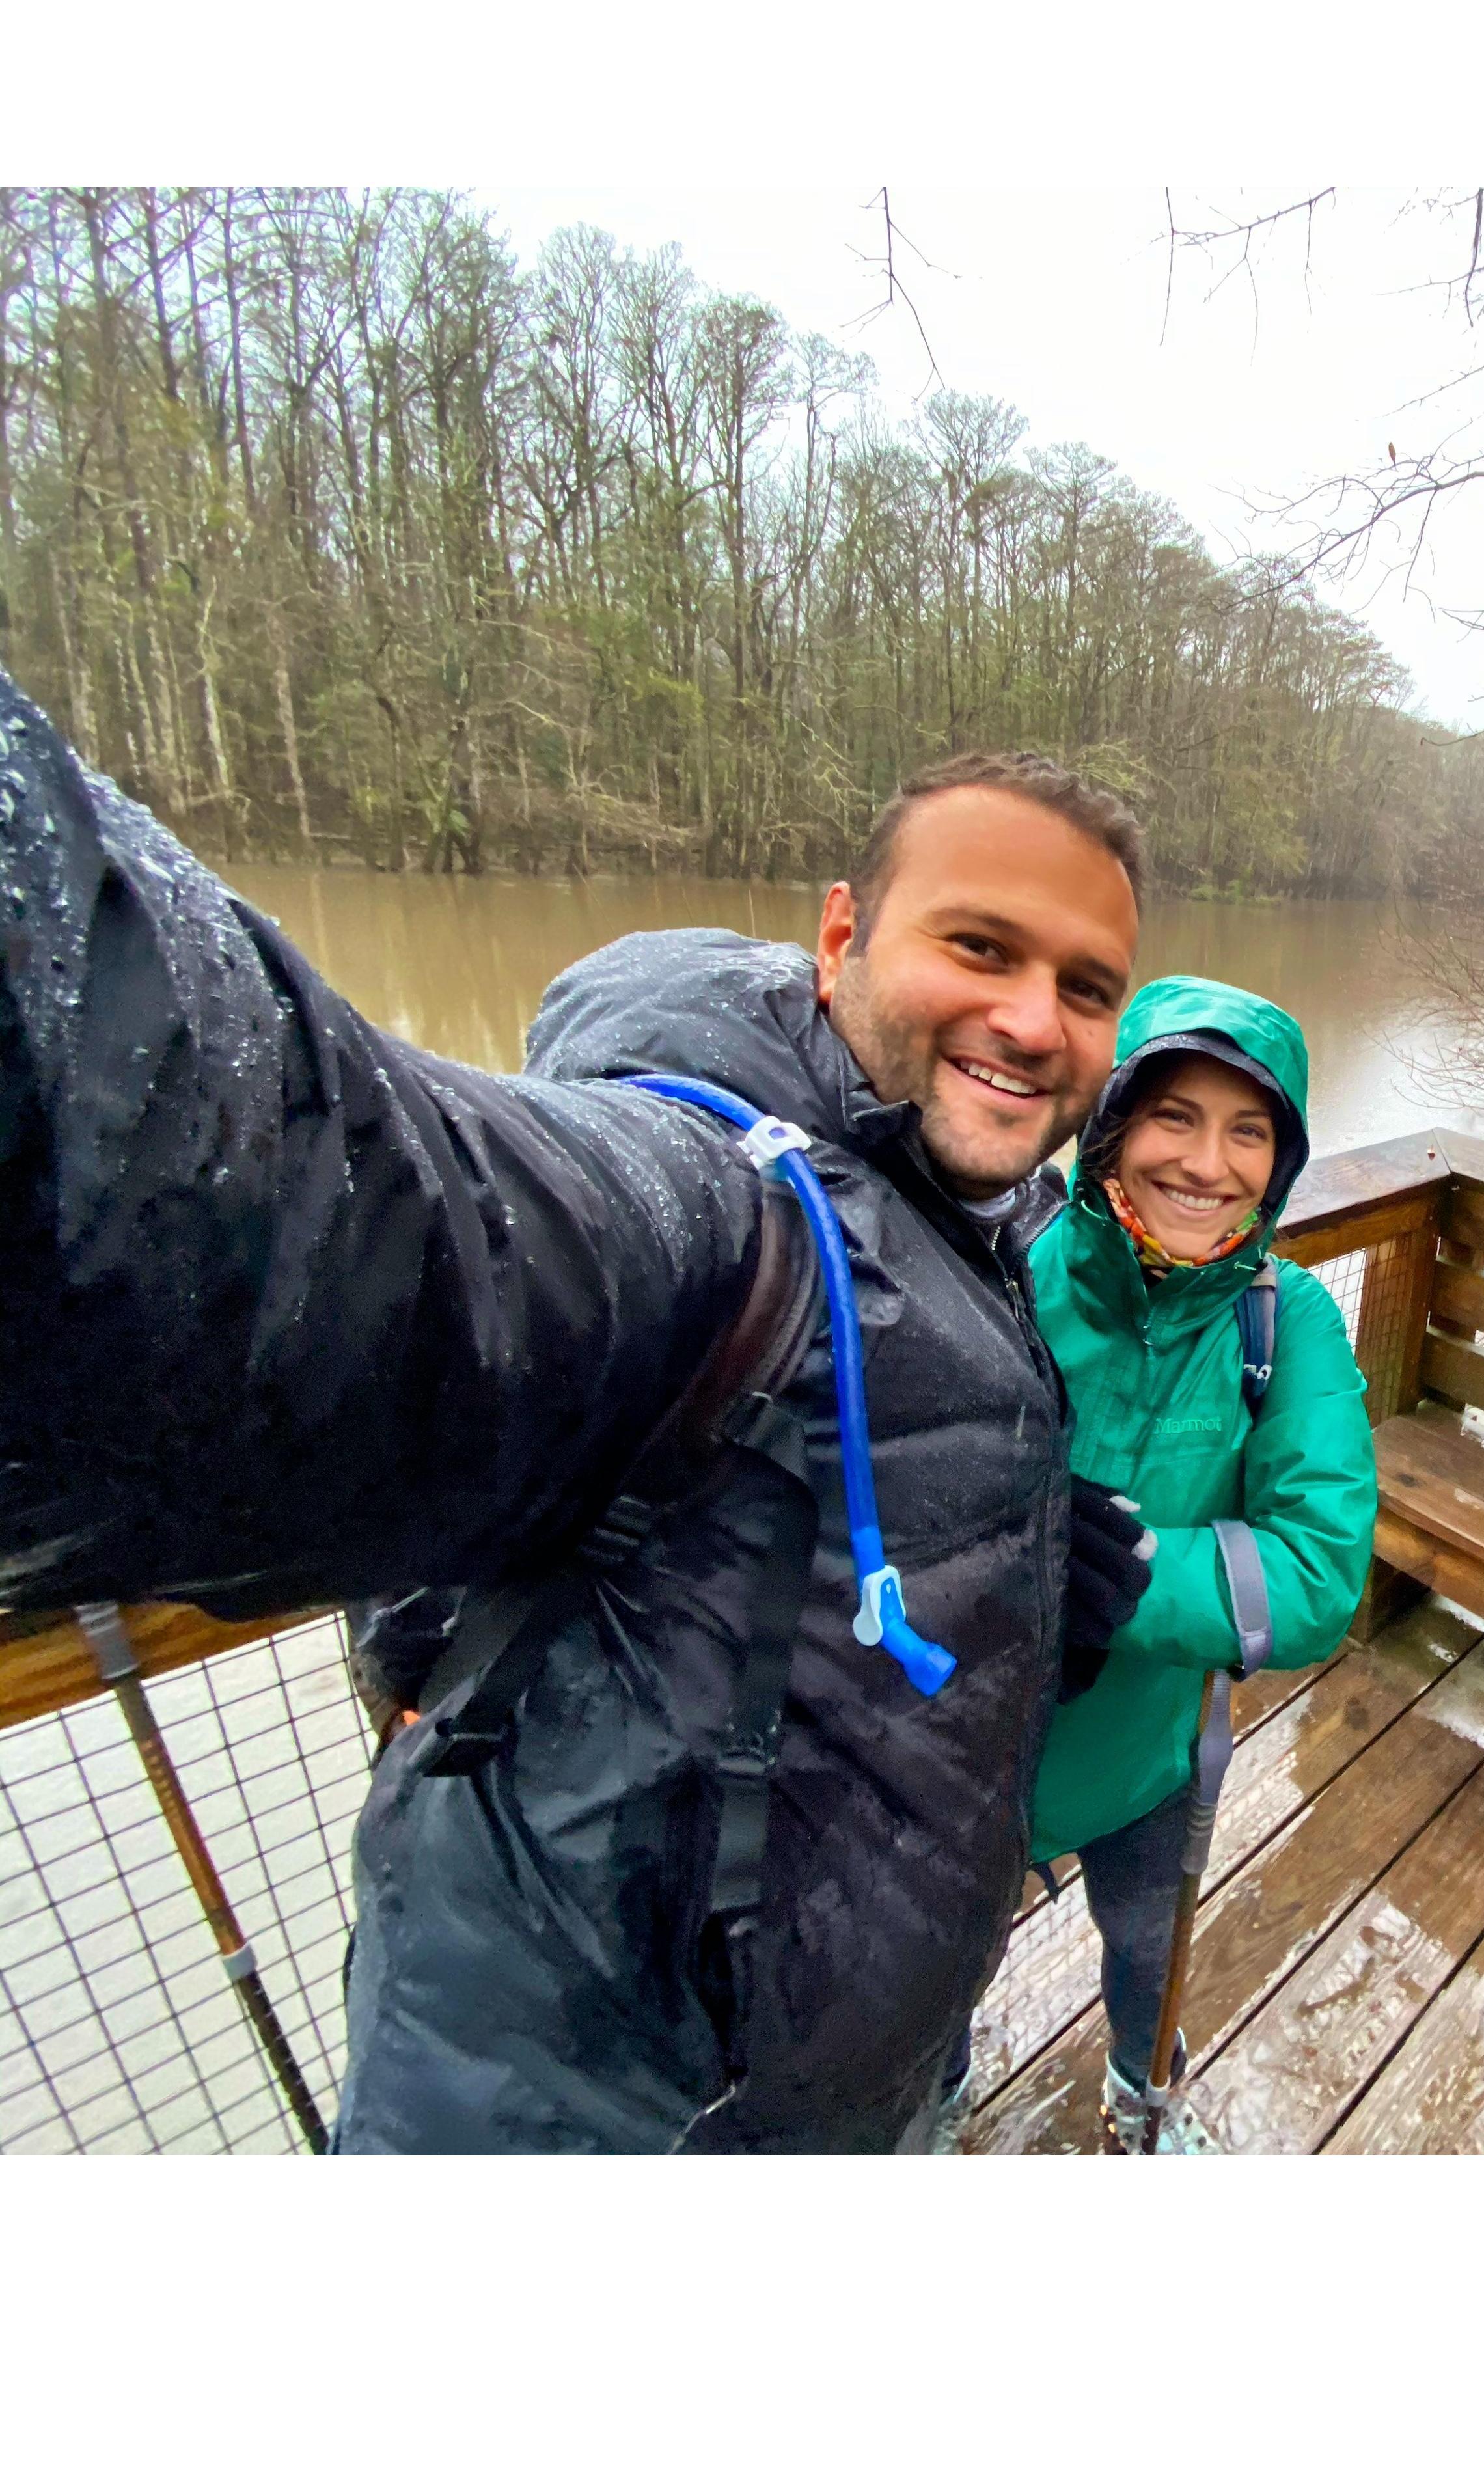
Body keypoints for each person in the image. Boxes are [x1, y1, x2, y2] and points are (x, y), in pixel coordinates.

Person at [0, 661, 1156, 2152]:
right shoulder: (715, 1202)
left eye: (1086, 987)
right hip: (591, 2116)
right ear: (841, 939)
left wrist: (1025, 1580)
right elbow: (339, 1242)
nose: (1034, 1019)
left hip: (857, 2084)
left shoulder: (986, 1215)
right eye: (980, 946)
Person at [997, 977, 1379, 2152]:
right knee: (940, 1964)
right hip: (969, 1747)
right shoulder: (1006, 1266)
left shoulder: (1286, 1322)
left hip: (1152, 1754)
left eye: (1249, 1131)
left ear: (1281, 1161)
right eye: (1175, 1115)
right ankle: (934, 2091)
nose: (1208, 1165)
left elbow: (1320, 1569)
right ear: (1114, 1121)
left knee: (1150, 1951)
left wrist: (1118, 1579)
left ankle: (1142, 2098)